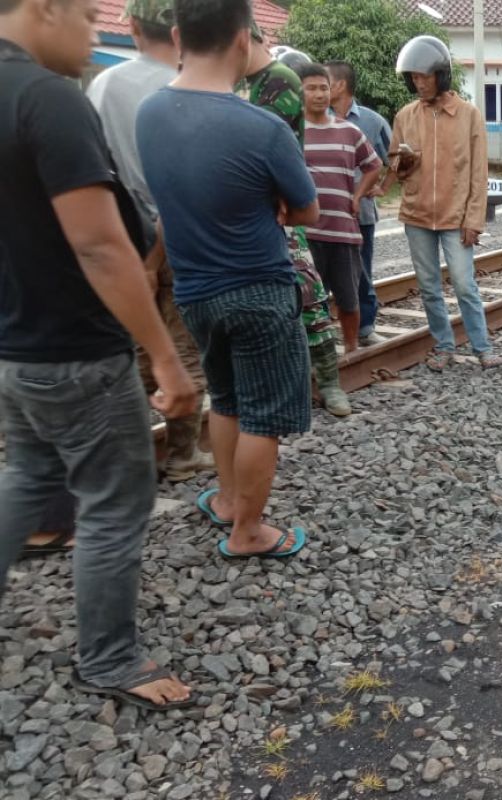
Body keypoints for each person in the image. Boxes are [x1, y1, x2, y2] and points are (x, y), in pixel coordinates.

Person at [1, 0, 196, 709]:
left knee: (26, 474)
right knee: (115, 503)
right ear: (44, 9)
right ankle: (110, 659)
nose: (93, 32)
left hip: (17, 347)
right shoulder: (47, 99)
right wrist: (165, 360)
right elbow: (99, 243)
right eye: (85, 15)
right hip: (78, 348)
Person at [138, 0, 317, 559]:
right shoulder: (262, 127)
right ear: (244, 40)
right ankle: (248, 532)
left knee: (227, 398)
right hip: (259, 288)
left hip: (193, 292)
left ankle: (225, 503)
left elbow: (170, 200)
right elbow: (307, 210)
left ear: (176, 35)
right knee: (263, 415)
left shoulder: (149, 114)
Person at [86, 0, 213, 483]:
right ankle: (182, 454)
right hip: (185, 235)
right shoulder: (192, 87)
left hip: (124, 234)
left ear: (135, 27)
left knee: (135, 346)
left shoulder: (104, 84)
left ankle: (133, 457)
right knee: (184, 346)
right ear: (179, 32)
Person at [242, 37, 350, 417]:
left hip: (285, 220)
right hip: (250, 218)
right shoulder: (242, 91)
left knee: (311, 300)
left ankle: (330, 383)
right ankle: (289, 384)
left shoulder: (275, 98)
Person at [384, 35, 502, 371]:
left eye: (424, 76)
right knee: (429, 286)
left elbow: (479, 172)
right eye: (414, 78)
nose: (418, 83)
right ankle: (444, 346)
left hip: (456, 217)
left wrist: (474, 219)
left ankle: (482, 347)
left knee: (465, 284)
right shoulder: (405, 116)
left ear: (441, 75)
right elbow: (396, 166)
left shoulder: (468, 115)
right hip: (417, 216)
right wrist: (403, 162)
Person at [295, 62, 381, 356]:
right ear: (300, 92)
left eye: (324, 87)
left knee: (348, 298)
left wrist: (358, 196)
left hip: (343, 230)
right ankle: (314, 354)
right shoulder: (293, 133)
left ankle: (352, 348)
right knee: (309, 300)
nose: (319, 94)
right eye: (312, 88)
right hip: (306, 233)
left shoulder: (349, 131)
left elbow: (374, 165)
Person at [326, 59, 391, 348]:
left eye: (325, 81)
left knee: (361, 271)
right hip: (322, 215)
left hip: (360, 213)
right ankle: (321, 329)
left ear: (339, 85)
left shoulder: (372, 121)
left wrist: (383, 187)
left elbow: (396, 157)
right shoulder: (313, 118)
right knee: (318, 272)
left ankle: (365, 327)